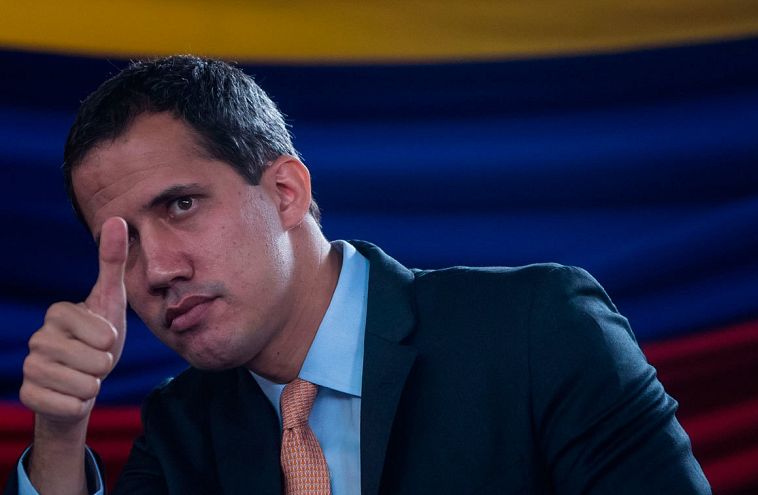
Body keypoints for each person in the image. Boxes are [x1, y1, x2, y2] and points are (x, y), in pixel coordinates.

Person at [5, 55, 711, 494]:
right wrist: (61, 434)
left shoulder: (538, 329)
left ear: (286, 192)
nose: (157, 269)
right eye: (122, 242)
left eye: (181, 205)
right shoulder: (182, 425)